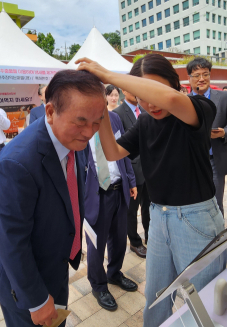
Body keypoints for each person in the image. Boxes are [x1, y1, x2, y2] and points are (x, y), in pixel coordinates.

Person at [76, 54, 226, 326]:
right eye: (140, 95)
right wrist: (103, 112)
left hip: (196, 220)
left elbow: (168, 100)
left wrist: (109, 75)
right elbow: (112, 151)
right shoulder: (145, 123)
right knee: (155, 299)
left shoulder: (199, 107)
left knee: (203, 305)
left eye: (152, 91)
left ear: (174, 84)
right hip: (158, 218)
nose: (149, 103)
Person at [0, 70, 106, 327]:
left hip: (52, 260)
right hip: (22, 278)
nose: (90, 132)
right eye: (80, 121)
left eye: (97, 121)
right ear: (50, 111)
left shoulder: (72, 140)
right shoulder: (17, 163)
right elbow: (11, 240)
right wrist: (35, 299)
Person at [84, 110, 138, 311]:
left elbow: (123, 153)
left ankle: (114, 273)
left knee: (118, 238)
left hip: (118, 187)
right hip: (96, 193)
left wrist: (131, 180)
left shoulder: (113, 118)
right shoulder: (79, 121)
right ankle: (98, 286)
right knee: (96, 243)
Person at [188, 57, 227, 214]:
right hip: (191, 162)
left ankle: (219, 237)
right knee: (193, 203)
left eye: (205, 74)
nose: (201, 79)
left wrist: (224, 132)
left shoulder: (225, 98)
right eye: (197, 75)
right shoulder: (183, 102)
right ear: (189, 78)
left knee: (216, 204)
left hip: (215, 160)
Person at [113, 89, 149, 259]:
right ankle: (135, 242)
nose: (135, 92)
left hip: (150, 169)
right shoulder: (117, 114)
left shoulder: (146, 109)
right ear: (124, 90)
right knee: (131, 210)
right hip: (133, 169)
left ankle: (151, 236)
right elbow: (119, 148)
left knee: (149, 206)